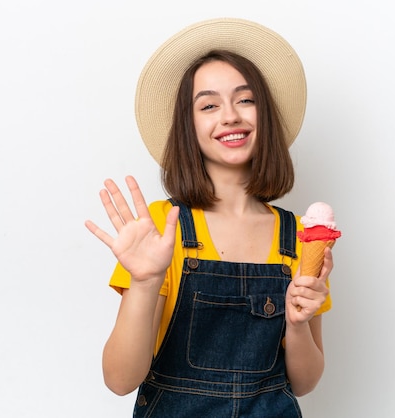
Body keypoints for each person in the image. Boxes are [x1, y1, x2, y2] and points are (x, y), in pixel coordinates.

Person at [85, 17, 334, 417]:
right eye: (209, 105)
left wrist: (299, 322)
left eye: (245, 99)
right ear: (190, 125)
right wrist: (147, 282)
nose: (231, 116)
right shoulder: (162, 227)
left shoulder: (303, 235)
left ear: (264, 115)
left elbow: (304, 382)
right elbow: (120, 379)